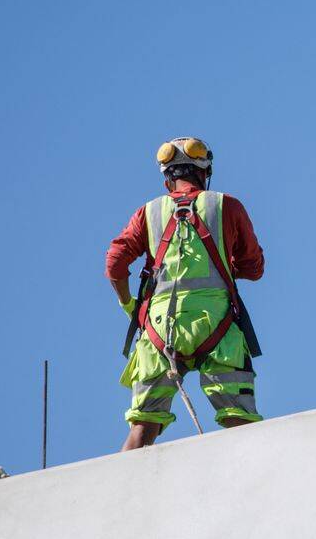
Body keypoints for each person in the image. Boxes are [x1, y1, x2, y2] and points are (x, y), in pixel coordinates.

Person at [106, 137, 265, 449]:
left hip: (158, 331)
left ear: (168, 178)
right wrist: (224, 263)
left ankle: (116, 493)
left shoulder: (148, 213)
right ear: (204, 173)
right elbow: (254, 268)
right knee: (240, 425)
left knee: (142, 427)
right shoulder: (226, 206)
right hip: (216, 326)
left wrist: (129, 305)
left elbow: (115, 263)